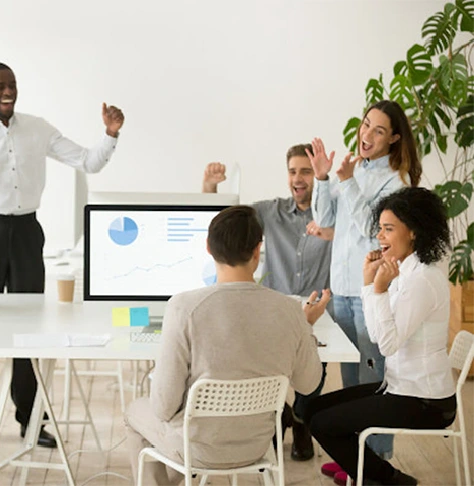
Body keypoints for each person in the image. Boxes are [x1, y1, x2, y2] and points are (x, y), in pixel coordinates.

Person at [0, 61, 125, 447]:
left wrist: (109, 134)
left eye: (12, 84)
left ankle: (30, 420)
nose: (7, 91)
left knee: (30, 329)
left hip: (27, 232)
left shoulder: (37, 127)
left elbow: (87, 161)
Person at [124, 205, 330, 485]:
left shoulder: (184, 307)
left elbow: (163, 407)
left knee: (135, 412)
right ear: (258, 251)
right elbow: (308, 384)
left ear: (208, 247)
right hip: (256, 446)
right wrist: (306, 326)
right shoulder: (290, 310)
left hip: (196, 446)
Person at [306, 187, 455, 486]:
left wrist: (378, 290)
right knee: (311, 409)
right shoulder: (406, 272)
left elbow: (386, 345)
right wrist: (368, 282)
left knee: (322, 423)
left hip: (425, 402)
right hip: (401, 387)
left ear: (413, 232)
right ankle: (374, 473)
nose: (380, 237)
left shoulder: (422, 279)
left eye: (389, 229)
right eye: (380, 229)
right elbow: (378, 335)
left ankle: (386, 479)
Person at [308, 99, 422, 479]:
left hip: (371, 292)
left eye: (378, 130)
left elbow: (373, 228)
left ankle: (379, 466)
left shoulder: (395, 181)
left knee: (373, 385)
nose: (367, 134)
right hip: (341, 289)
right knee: (352, 384)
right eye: (365, 125)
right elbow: (324, 219)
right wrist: (323, 178)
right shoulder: (353, 171)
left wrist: (344, 181)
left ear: (393, 138)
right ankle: (354, 461)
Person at [202, 143, 333, 461]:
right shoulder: (268, 212)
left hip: (318, 311)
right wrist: (210, 187)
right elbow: (226, 224)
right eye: (292, 171)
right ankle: (277, 415)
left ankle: (300, 421)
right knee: (261, 369)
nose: (298, 179)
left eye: (305, 171)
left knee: (312, 370)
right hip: (273, 309)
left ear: (316, 175)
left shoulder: (332, 216)